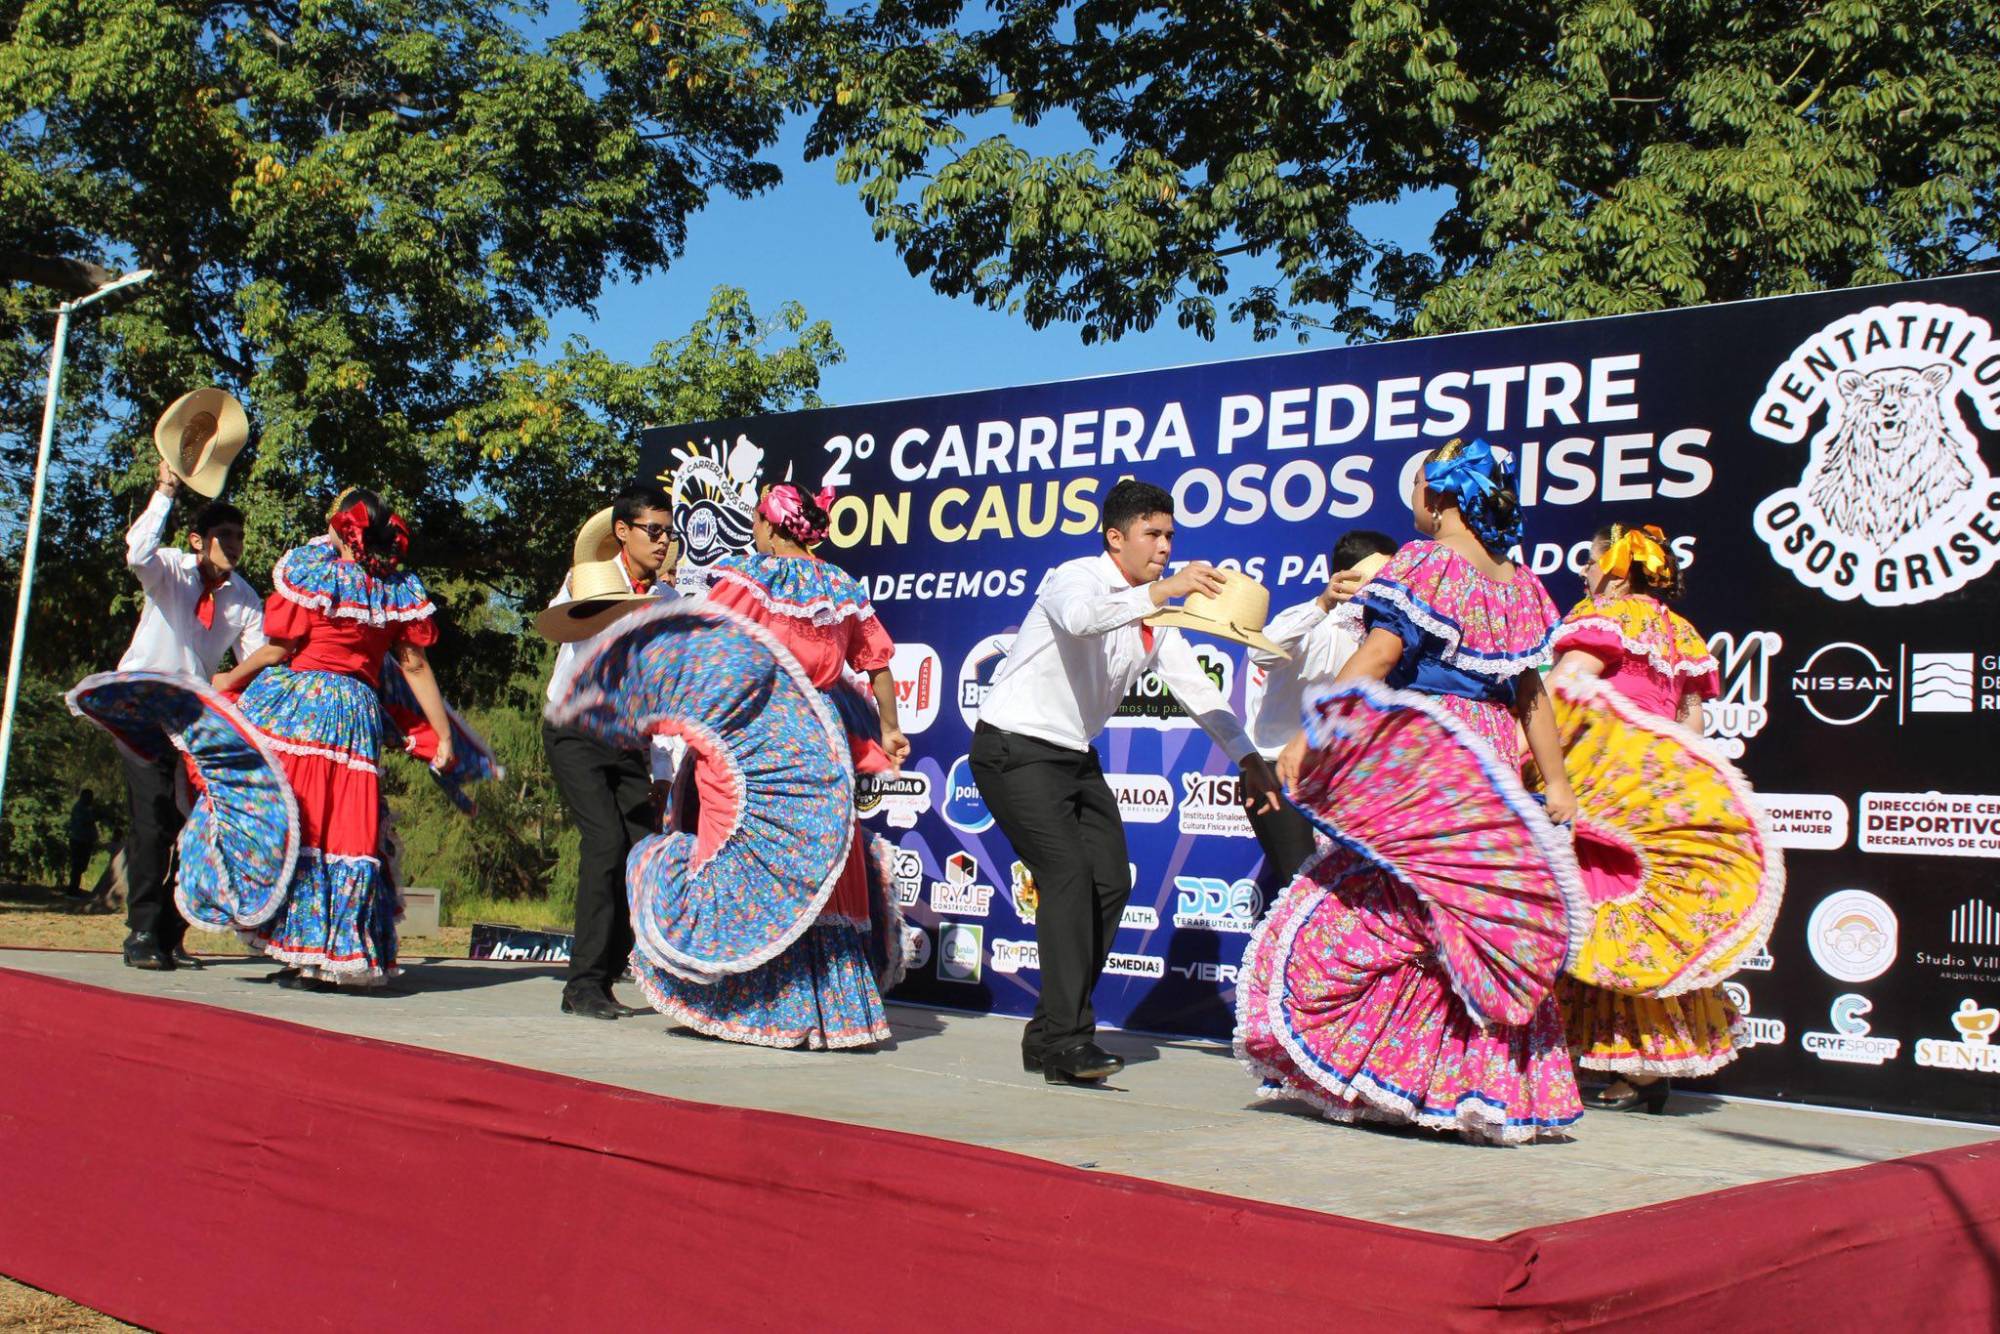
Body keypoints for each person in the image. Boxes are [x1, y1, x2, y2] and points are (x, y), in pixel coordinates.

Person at [1241, 438, 1584, 1143]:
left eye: (1420, 486)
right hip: (1486, 759)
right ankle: (1456, 1088)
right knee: (1463, 921)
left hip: (1427, 753)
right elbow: (1531, 697)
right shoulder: (1519, 584)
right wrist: (1556, 783)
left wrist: (1315, 732)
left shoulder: (1423, 564)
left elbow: (1380, 653)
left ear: (1440, 496)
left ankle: (1393, 1077)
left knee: (1368, 909)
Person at [973, 478, 1284, 1086]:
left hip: (1071, 756)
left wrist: (1249, 758)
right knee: (1066, 876)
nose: (1165, 547)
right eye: (1153, 534)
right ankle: (1066, 1041)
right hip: (1013, 747)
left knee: (1111, 882)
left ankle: (1047, 1032)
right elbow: (1081, 619)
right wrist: (1162, 593)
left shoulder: (1158, 614)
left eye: (1171, 536)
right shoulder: (1077, 577)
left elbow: (1195, 688)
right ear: (1116, 538)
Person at [628, 482, 912, 1048]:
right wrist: (888, 725)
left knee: (744, 857)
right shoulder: (842, 588)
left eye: (758, 519)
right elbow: (877, 664)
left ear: (773, 526)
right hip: (821, 741)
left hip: (757, 743)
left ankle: (752, 1006)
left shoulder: (752, 578)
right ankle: (831, 1014)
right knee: (818, 857)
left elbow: (708, 645)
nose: (754, 529)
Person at [1548, 523, 1775, 1113]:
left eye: (1592, 563)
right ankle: (1641, 1063)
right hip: (1655, 796)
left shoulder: (1605, 619)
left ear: (1617, 571)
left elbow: (1562, 691)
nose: (1585, 574)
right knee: (1645, 920)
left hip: (1600, 787)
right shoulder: (1681, 632)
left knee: (1595, 917)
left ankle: (1628, 1065)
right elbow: (1690, 724)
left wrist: (1535, 756)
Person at [207, 488, 455, 988]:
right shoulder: (395, 586)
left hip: (299, 707)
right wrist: (443, 734)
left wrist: (228, 681)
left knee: (297, 821)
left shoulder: (313, 571)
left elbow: (278, 650)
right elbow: (415, 665)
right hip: (352, 715)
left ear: (343, 527)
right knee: (343, 827)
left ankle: (300, 947)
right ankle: (322, 952)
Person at [114, 460, 266, 969]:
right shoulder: (171, 570)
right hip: (139, 708)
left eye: (240, 536)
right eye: (224, 535)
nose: (235, 544)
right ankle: (140, 931)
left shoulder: (244, 598)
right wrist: (165, 490)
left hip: (192, 720)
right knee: (152, 819)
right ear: (198, 541)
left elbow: (256, 660)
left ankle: (171, 932)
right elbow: (136, 552)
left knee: (197, 824)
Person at [542, 484, 676, 1020]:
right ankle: (583, 984)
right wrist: (603, 600)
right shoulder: (588, 581)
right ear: (622, 531)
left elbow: (664, 690)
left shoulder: (668, 601)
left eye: (669, 532)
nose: (664, 542)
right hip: (575, 730)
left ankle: (618, 970)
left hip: (630, 741)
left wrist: (663, 766)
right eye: (654, 531)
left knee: (641, 851)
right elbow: (566, 632)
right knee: (603, 844)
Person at [1242, 530, 1397, 883]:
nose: (1395, 585)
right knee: (1304, 886)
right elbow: (1261, 652)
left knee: (1344, 892)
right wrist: (1323, 604)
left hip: (1346, 781)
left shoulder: (1385, 636)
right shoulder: (1313, 621)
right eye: (1385, 575)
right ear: (1345, 577)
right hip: (1280, 774)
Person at [66, 790, 105, 898]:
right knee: (77, 866)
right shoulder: (79, 808)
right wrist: (95, 817)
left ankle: (74, 889)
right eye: (89, 797)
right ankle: (72, 891)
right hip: (79, 841)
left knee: (81, 867)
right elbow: (83, 822)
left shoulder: (87, 809)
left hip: (85, 841)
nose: (91, 800)